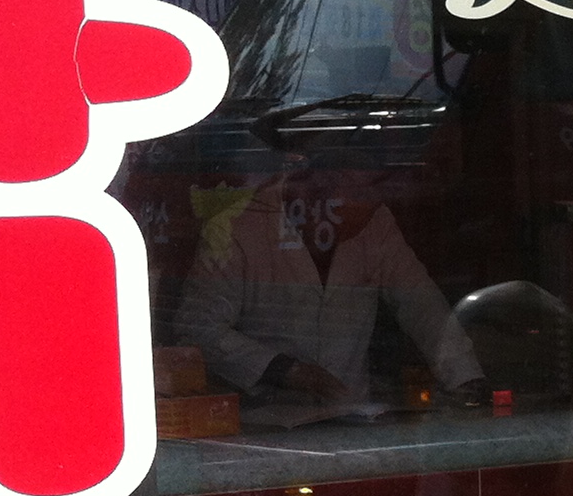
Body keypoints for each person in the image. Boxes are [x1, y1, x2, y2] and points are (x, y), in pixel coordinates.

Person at [176, 156, 484, 409]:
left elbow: (422, 305)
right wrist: (285, 371)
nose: (370, 207)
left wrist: (466, 380)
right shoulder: (238, 226)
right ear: (318, 184)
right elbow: (198, 327)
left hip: (351, 418)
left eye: (375, 195)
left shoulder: (375, 223)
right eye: (359, 195)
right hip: (261, 426)